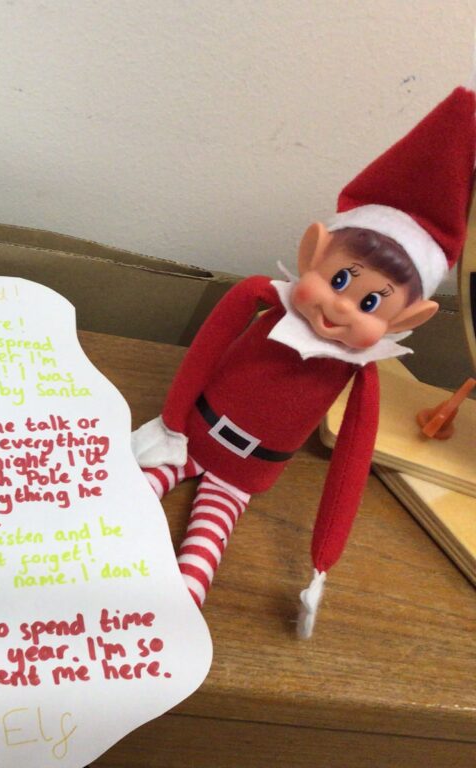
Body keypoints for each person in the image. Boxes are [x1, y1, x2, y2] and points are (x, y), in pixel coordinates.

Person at [131, 85, 475, 638]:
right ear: (311, 253)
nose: (341, 306)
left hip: (246, 475)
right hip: (189, 434)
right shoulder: (259, 297)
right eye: (339, 279)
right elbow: (203, 353)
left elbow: (352, 463)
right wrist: (172, 423)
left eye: (370, 302)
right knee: (117, 508)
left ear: (408, 319)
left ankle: (158, 638)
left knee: (196, 571)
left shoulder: (361, 374)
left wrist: (322, 563)